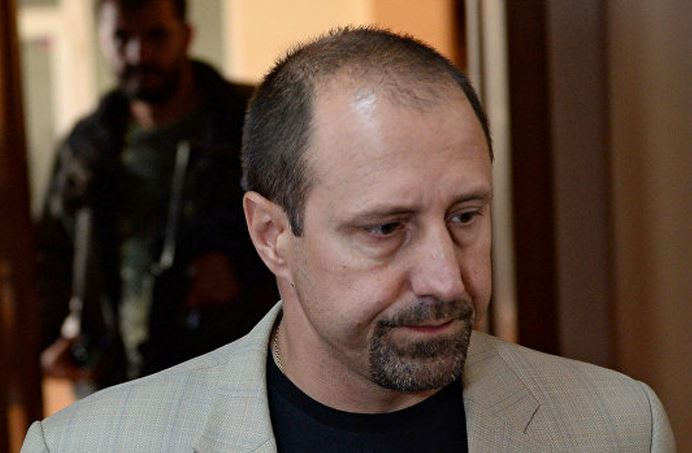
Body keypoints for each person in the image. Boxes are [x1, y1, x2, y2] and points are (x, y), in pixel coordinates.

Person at [22, 27, 675, 452]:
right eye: (386, 228)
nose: (447, 278)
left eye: (465, 216)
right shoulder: (91, 445)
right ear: (271, 235)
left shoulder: (618, 427)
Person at [35, 0, 275, 391]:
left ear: (186, 36)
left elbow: (306, 223)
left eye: (156, 35)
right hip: (117, 380)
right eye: (121, 38)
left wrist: (246, 271)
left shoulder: (251, 122)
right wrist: (43, 346)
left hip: (230, 370)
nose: (139, 54)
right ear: (101, 40)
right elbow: (50, 255)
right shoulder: (85, 146)